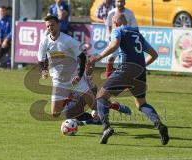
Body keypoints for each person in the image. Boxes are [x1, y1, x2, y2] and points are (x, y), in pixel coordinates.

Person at [89, 13, 169, 145]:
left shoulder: (118, 30)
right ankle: (159, 124)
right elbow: (154, 55)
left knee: (101, 96)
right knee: (142, 104)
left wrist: (98, 56)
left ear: (115, 23)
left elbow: (114, 45)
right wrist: (141, 66)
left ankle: (106, 127)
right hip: (140, 71)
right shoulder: (137, 33)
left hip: (126, 68)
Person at [37, 15, 97, 119]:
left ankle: (103, 117)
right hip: (59, 81)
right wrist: (43, 70)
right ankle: (70, 99)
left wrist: (79, 75)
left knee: (95, 107)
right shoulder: (44, 42)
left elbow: (82, 56)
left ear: (58, 25)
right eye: (47, 26)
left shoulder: (68, 40)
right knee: (55, 114)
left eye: (52, 25)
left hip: (75, 78)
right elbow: (40, 60)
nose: (50, 28)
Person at [63, 62, 132, 125]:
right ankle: (112, 106)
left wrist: (96, 110)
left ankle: (88, 119)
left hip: (79, 112)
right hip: (70, 109)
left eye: (93, 65)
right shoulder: (75, 76)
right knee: (94, 95)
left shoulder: (89, 81)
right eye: (89, 65)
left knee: (99, 119)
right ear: (84, 65)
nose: (91, 67)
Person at [105, 0, 137, 78]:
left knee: (125, 63)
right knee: (110, 59)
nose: (119, 3)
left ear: (124, 2)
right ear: (115, 2)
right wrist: (109, 34)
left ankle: (126, 80)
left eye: (121, 1)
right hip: (114, 40)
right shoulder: (111, 13)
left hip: (126, 41)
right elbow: (108, 26)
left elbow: (134, 28)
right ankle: (109, 79)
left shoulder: (130, 13)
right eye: (118, 1)